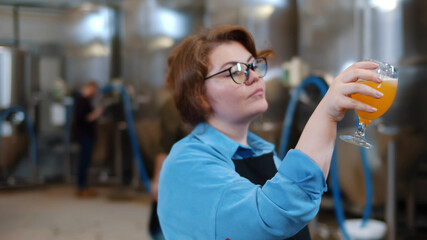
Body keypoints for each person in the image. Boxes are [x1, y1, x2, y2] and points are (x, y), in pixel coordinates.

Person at [157, 25, 383, 239]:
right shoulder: (187, 163)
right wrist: (326, 113)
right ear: (199, 95)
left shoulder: (260, 151)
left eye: (253, 65)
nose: (254, 76)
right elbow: (274, 217)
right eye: (236, 71)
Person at [72, 81, 104, 198]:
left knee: (85, 162)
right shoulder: (82, 101)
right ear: (90, 88)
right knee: (83, 162)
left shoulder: (83, 101)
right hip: (84, 136)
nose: (95, 93)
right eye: (94, 90)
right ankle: (81, 187)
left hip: (85, 135)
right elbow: (83, 118)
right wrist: (96, 114)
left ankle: (83, 186)